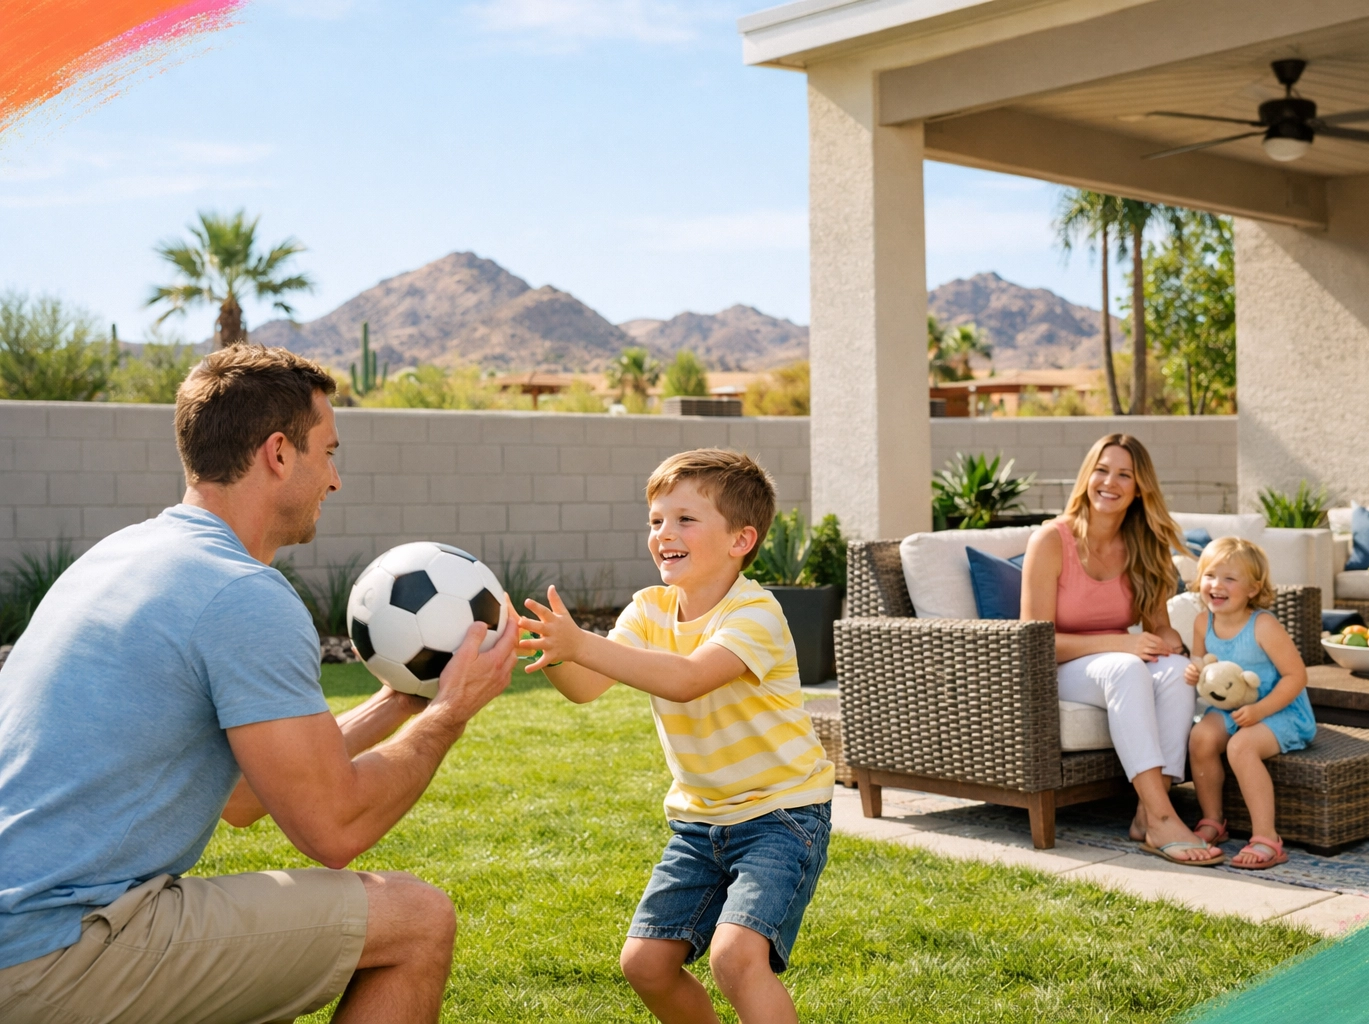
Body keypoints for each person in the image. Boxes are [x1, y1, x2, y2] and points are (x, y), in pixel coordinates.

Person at [0, 346, 519, 1024]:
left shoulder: (126, 553)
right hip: (55, 950)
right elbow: (334, 828)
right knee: (417, 920)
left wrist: (398, 701)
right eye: (328, 452)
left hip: (26, 928)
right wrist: (448, 713)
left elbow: (244, 797)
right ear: (279, 453)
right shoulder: (242, 594)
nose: (334, 479)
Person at [518, 448, 833, 1024]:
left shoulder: (755, 615)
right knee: (645, 964)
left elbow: (688, 680)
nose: (665, 532)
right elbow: (587, 686)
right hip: (699, 822)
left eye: (685, 519)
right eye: (656, 520)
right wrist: (553, 649)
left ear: (741, 540)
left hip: (782, 815)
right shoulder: (649, 610)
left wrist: (583, 642)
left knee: (736, 959)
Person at [1021, 433, 1223, 866]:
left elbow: (1159, 630)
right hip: (1059, 667)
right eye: (1101, 469)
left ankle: (1146, 814)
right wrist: (1122, 642)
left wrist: (1189, 651)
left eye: (1124, 474)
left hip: (1114, 662)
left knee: (1171, 671)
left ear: (1139, 488)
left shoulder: (1143, 544)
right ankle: (1164, 818)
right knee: (1126, 668)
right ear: (1087, 476)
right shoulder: (1051, 541)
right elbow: (1034, 641)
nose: (1109, 482)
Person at [1184, 537, 1315, 870]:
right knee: (1200, 738)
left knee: (1240, 747)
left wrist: (1260, 711)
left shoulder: (1263, 625)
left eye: (1230, 578)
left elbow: (1296, 677)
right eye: (1211, 575)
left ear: (1253, 589)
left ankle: (1267, 838)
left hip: (1280, 711)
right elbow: (1204, 665)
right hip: (1231, 710)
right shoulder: (1203, 623)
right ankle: (1213, 821)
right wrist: (1193, 670)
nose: (1217, 585)